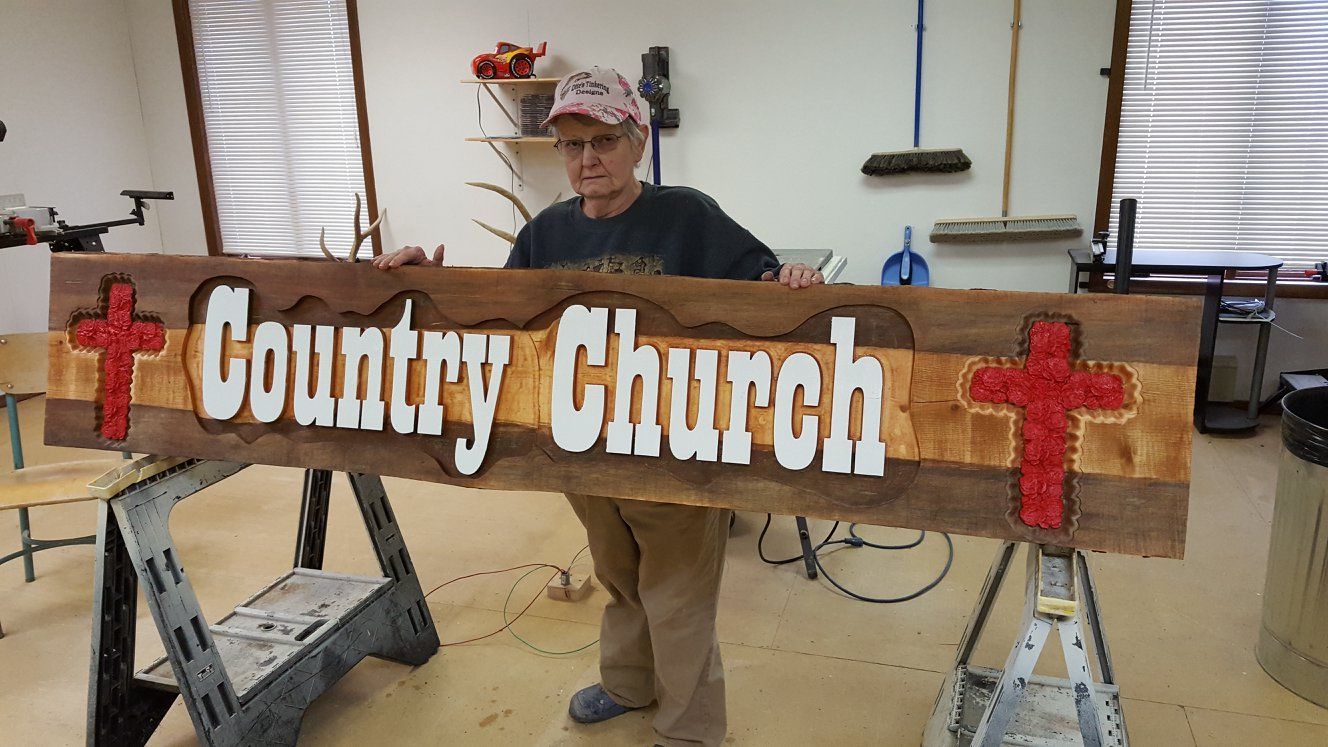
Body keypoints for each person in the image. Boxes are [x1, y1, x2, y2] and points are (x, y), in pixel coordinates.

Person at [374, 66, 823, 747]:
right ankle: (628, 683)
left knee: (677, 593)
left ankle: (690, 727)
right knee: (618, 573)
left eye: (605, 140)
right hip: (583, 447)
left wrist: (788, 280)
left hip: (677, 449)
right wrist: (430, 283)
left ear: (637, 141)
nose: (588, 159)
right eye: (573, 144)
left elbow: (760, 284)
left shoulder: (687, 215)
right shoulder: (546, 233)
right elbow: (499, 319)